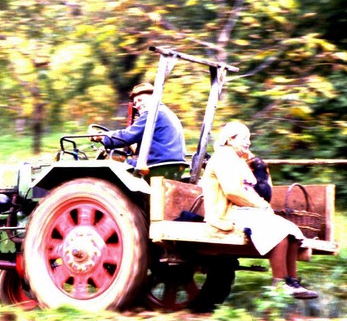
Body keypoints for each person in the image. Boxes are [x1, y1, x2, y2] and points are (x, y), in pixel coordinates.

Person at [201, 121, 318, 299]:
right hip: (228, 213)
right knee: (278, 230)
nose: (248, 143)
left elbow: (262, 187)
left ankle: (292, 282)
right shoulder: (223, 157)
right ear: (230, 139)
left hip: (244, 210)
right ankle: (278, 284)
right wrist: (260, 206)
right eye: (244, 138)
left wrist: (251, 159)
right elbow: (232, 191)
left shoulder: (238, 160)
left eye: (249, 139)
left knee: (292, 230)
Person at [91, 82, 186, 168]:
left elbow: (127, 136)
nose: (138, 105)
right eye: (135, 103)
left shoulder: (152, 113)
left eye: (140, 100)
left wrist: (102, 136)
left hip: (155, 163)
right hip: (172, 163)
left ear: (154, 98)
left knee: (109, 162)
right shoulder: (166, 112)